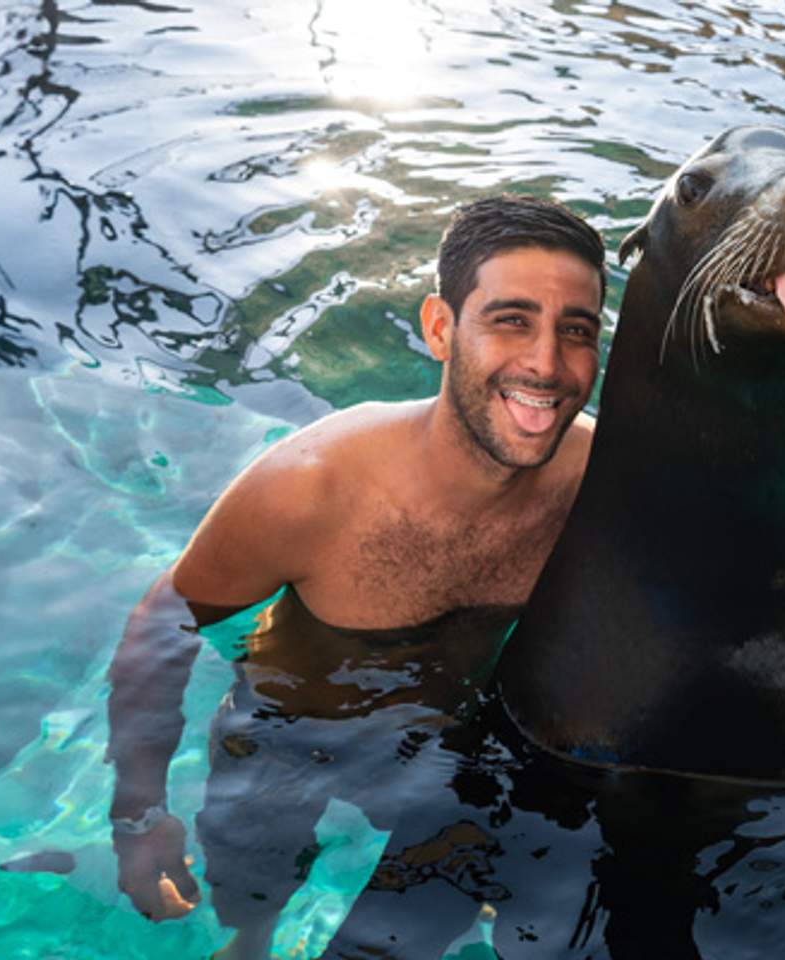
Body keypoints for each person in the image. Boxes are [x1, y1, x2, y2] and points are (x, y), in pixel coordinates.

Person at [102, 194, 607, 958]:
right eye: (511, 320)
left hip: (456, 747)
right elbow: (166, 618)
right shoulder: (313, 486)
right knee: (251, 893)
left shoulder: (594, 476)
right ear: (441, 329)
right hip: (291, 736)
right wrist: (138, 816)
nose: (545, 363)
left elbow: (738, 517)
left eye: (575, 332)